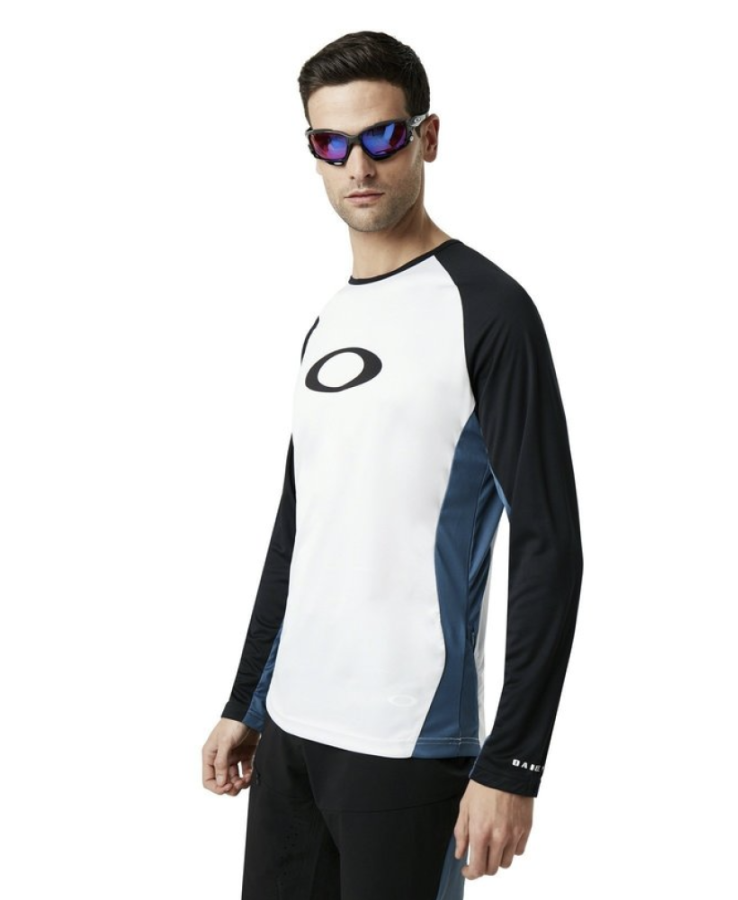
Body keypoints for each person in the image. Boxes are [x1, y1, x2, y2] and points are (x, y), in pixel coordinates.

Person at [201, 30, 584, 900]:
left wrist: (513, 763)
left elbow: (549, 546)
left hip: (407, 742)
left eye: (381, 135)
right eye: (330, 143)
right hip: (292, 733)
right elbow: (299, 530)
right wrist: (244, 702)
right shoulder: (326, 323)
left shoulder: (489, 311)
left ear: (426, 136)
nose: (358, 165)